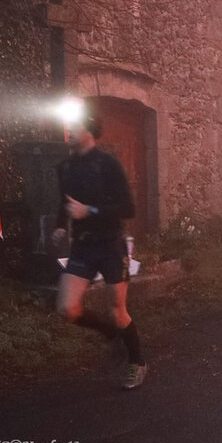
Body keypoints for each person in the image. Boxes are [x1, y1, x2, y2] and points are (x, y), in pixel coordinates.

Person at [50, 105, 146, 390]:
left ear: (89, 131)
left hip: (111, 245)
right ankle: (109, 335)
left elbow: (128, 208)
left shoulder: (108, 164)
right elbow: (65, 203)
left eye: (75, 126)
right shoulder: (65, 166)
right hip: (83, 246)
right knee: (67, 308)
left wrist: (89, 211)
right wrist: (59, 225)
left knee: (118, 310)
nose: (69, 132)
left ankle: (136, 362)